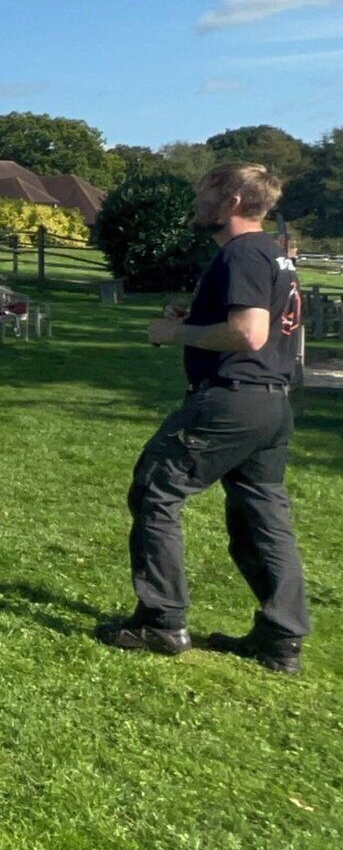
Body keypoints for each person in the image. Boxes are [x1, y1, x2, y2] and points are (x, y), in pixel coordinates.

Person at [98, 163, 308, 674]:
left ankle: (161, 620)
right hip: (271, 402)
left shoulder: (241, 252)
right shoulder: (273, 255)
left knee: (156, 489)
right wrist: (192, 317)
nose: (198, 199)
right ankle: (282, 638)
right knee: (261, 516)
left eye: (205, 190)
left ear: (232, 200)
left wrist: (175, 335)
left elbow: (248, 333)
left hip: (231, 399)